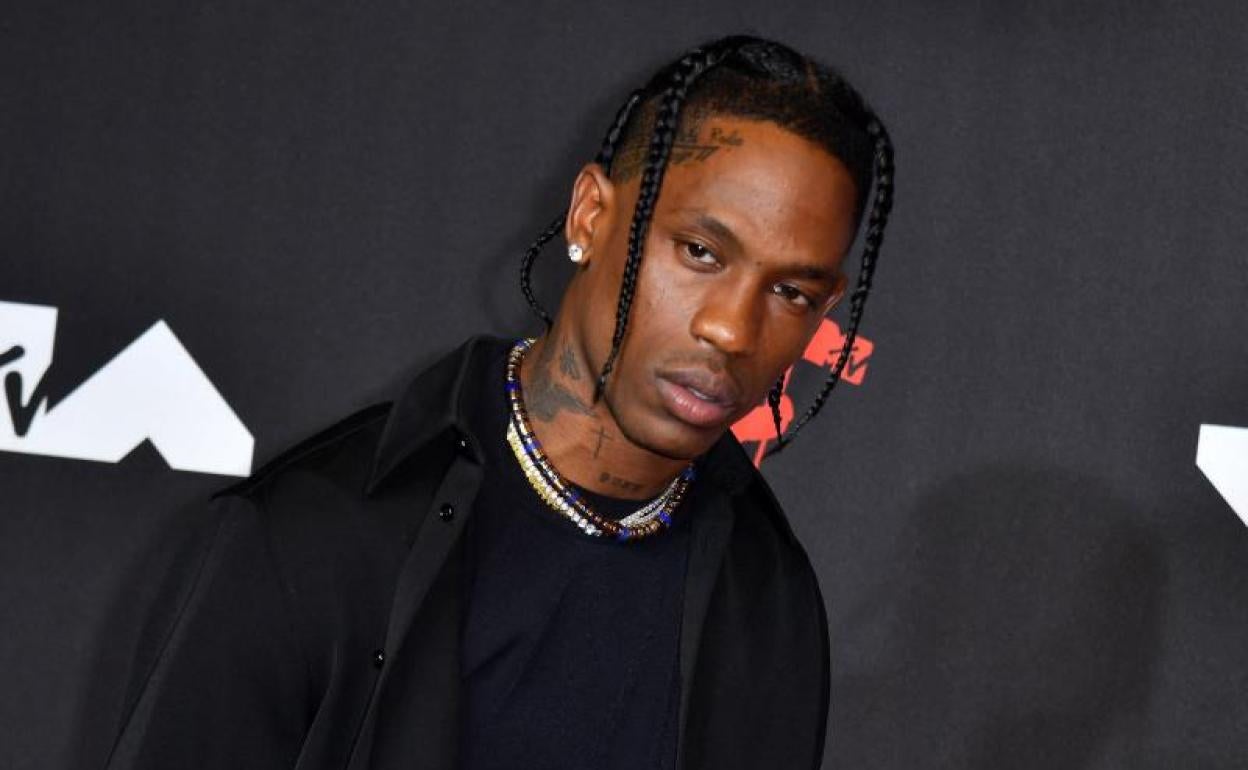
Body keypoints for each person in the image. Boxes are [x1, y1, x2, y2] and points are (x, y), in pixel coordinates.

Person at [101, 32, 894, 770]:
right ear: (591, 215)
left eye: (791, 292)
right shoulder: (309, 539)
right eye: (699, 252)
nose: (732, 329)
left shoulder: (766, 597)